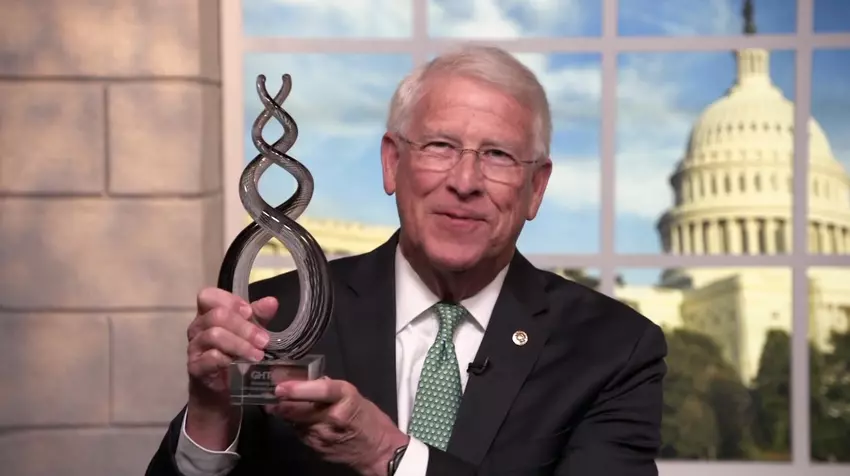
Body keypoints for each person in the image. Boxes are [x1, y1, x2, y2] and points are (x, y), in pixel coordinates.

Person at [145, 44, 667, 476]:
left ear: (536, 188)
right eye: (440, 146)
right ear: (393, 163)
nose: (465, 182)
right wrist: (212, 415)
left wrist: (388, 454)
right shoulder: (273, 316)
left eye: (498, 155)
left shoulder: (613, 350)